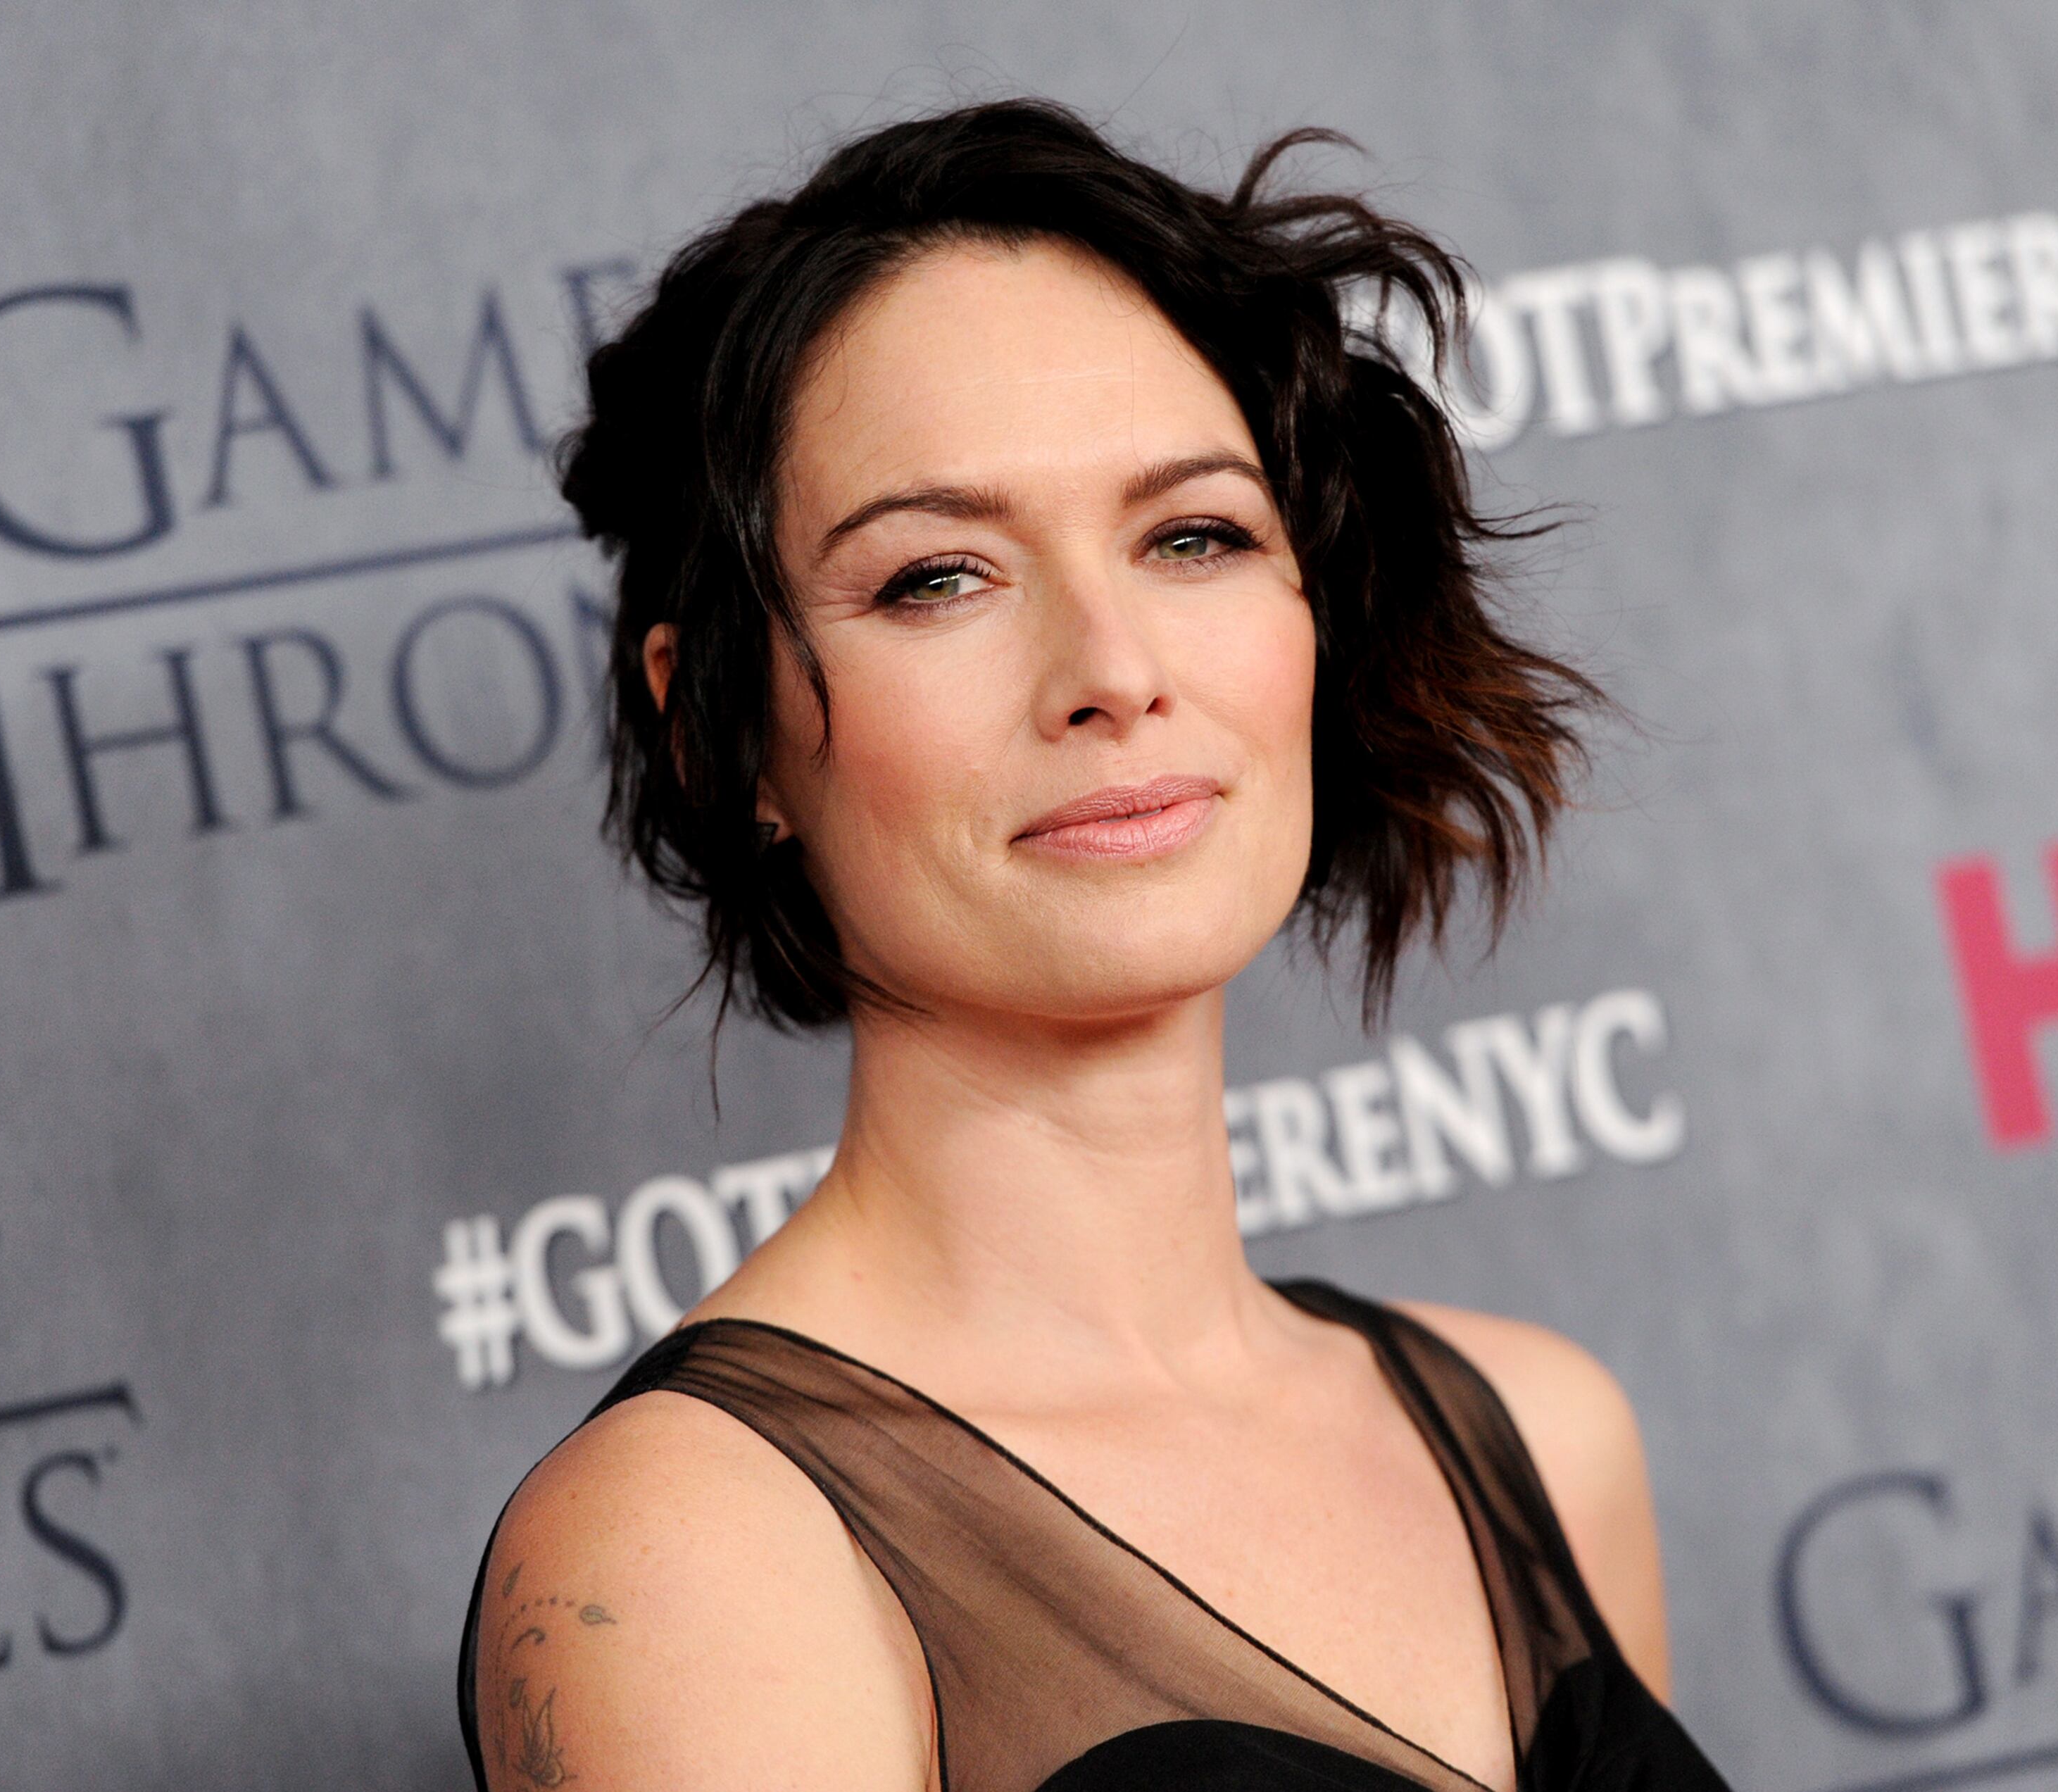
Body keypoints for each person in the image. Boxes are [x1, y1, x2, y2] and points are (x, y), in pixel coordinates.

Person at [458, 99, 1731, 1792]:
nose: (1114, 670)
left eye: (1195, 536)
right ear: (721, 729)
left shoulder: (1544, 1434)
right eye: (939, 576)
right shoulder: (692, 1551)